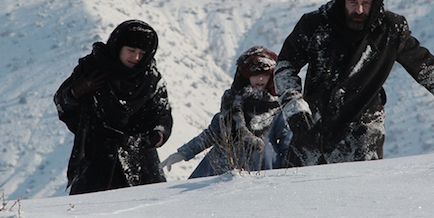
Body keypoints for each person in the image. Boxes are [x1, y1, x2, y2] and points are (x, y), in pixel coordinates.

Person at [274, 0, 434, 167]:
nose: (359, 10)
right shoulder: (315, 24)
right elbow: (285, 65)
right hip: (313, 126)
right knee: (299, 192)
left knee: (360, 191)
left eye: (366, 3)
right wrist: (294, 105)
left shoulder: (390, 30)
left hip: (362, 130)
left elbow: (422, 64)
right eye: (352, 2)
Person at [53, 19, 173, 194]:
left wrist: (159, 133)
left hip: (139, 160)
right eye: (131, 51)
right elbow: (62, 103)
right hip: (96, 160)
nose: (136, 57)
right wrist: (76, 91)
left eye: (142, 53)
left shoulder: (150, 78)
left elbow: (162, 112)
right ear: (118, 47)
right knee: (89, 214)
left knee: (147, 214)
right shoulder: (93, 68)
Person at [160, 46, 291, 178]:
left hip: (263, 165)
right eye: (255, 74)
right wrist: (183, 153)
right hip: (225, 164)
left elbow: (287, 142)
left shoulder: (277, 107)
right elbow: (212, 133)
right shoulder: (232, 103)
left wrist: (288, 172)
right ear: (246, 76)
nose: (261, 79)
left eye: (265, 75)